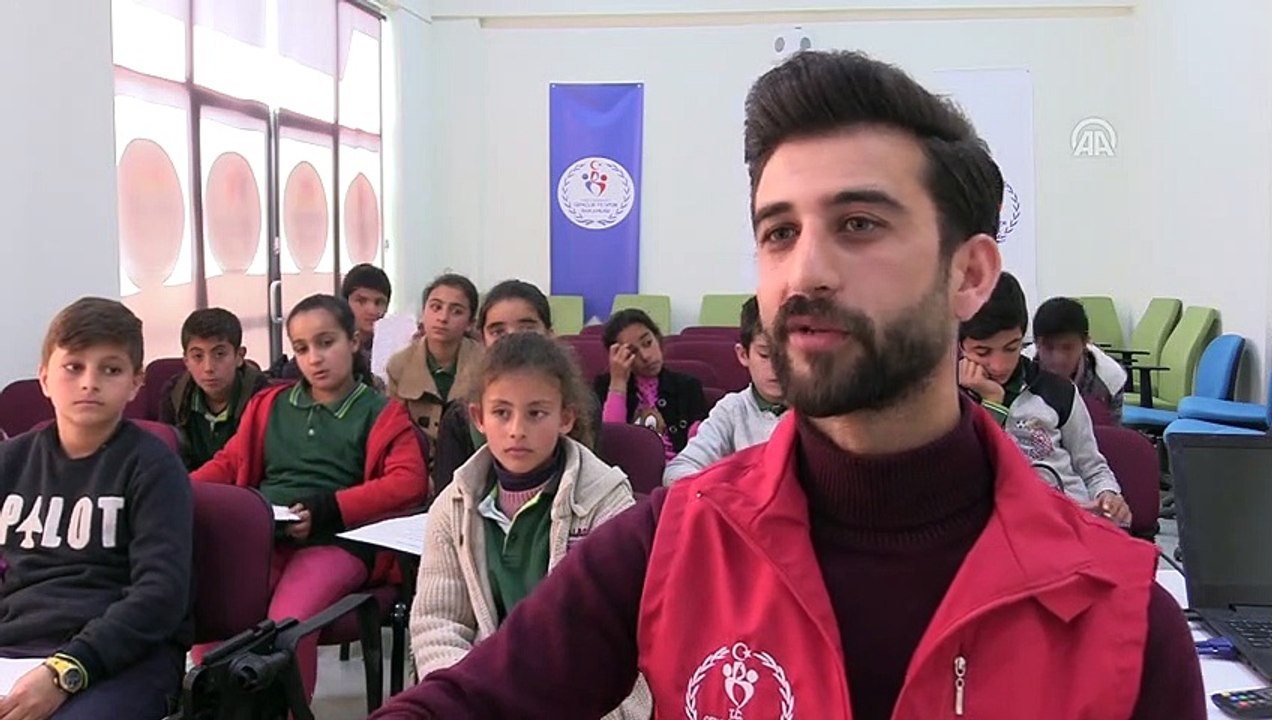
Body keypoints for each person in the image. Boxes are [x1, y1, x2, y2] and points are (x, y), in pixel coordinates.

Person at [368, 50, 1202, 720]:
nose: (804, 271)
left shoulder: (1122, 616)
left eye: (859, 224)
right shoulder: (673, 544)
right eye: (779, 232)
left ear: (970, 272)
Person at [192, 294, 427, 702]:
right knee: (215, 613)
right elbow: (229, 463)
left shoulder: (382, 412)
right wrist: (174, 490)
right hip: (266, 533)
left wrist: (331, 508)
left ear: (354, 342)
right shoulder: (271, 404)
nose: (314, 358)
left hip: (338, 540)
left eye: (325, 342)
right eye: (301, 348)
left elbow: (408, 482)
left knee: (288, 624)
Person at [410, 332, 651, 718]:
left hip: (586, 697)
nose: (517, 429)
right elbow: (438, 623)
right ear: (479, 418)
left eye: (536, 413)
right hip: (485, 696)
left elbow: (620, 639)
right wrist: (470, 701)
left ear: (565, 418)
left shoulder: (607, 502)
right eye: (502, 412)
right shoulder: (452, 507)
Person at [0, 298, 192, 719]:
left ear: (136, 383)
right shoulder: (11, 461)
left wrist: (64, 672)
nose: (90, 382)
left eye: (111, 369)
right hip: (16, 647)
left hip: (124, 656)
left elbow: (160, 596)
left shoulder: (154, 467)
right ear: (45, 377)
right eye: (74, 367)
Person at [958, 272, 1131, 525]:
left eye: (1012, 347)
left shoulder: (1058, 392)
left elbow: (1092, 468)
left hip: (1069, 519)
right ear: (960, 345)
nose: (999, 365)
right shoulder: (944, 400)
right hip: (999, 528)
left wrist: (1108, 495)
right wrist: (993, 402)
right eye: (983, 352)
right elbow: (966, 479)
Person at [433, 279, 602, 497]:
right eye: (497, 331)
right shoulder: (459, 417)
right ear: (482, 340)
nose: (514, 338)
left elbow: (588, 488)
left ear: (550, 334)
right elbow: (449, 498)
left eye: (527, 328)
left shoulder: (581, 405)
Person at [663, 297, 785, 483]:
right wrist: (727, 493)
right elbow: (677, 471)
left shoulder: (821, 410)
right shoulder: (732, 410)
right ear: (744, 355)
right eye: (765, 355)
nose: (776, 366)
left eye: (787, 355)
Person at [385, 274, 483, 477]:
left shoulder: (486, 363)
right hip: (417, 467)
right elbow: (397, 432)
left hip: (473, 466)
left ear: (470, 323)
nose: (443, 318)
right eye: (435, 307)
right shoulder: (399, 365)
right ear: (423, 313)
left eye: (456, 311)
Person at [158, 308, 271, 470]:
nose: (208, 368)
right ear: (186, 361)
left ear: (239, 356)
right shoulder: (174, 393)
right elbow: (168, 459)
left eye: (219, 354)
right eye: (198, 356)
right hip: (189, 489)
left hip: (243, 490)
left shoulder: (262, 397)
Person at [594, 309, 707, 458]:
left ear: (658, 338)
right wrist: (618, 382)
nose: (646, 356)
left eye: (648, 343)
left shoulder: (688, 386)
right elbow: (611, 445)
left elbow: (701, 448)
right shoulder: (605, 387)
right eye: (632, 352)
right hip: (627, 474)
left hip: (678, 472)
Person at [271, 263, 392, 382]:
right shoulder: (328, 339)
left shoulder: (393, 347)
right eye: (361, 301)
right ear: (345, 302)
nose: (372, 310)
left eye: (379, 302)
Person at [1025, 296, 1127, 424]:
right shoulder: (1020, 371)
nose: (1058, 359)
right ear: (1036, 343)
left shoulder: (1110, 378)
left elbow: (1111, 434)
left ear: (1085, 343)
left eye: (1067, 348)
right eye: (1049, 347)